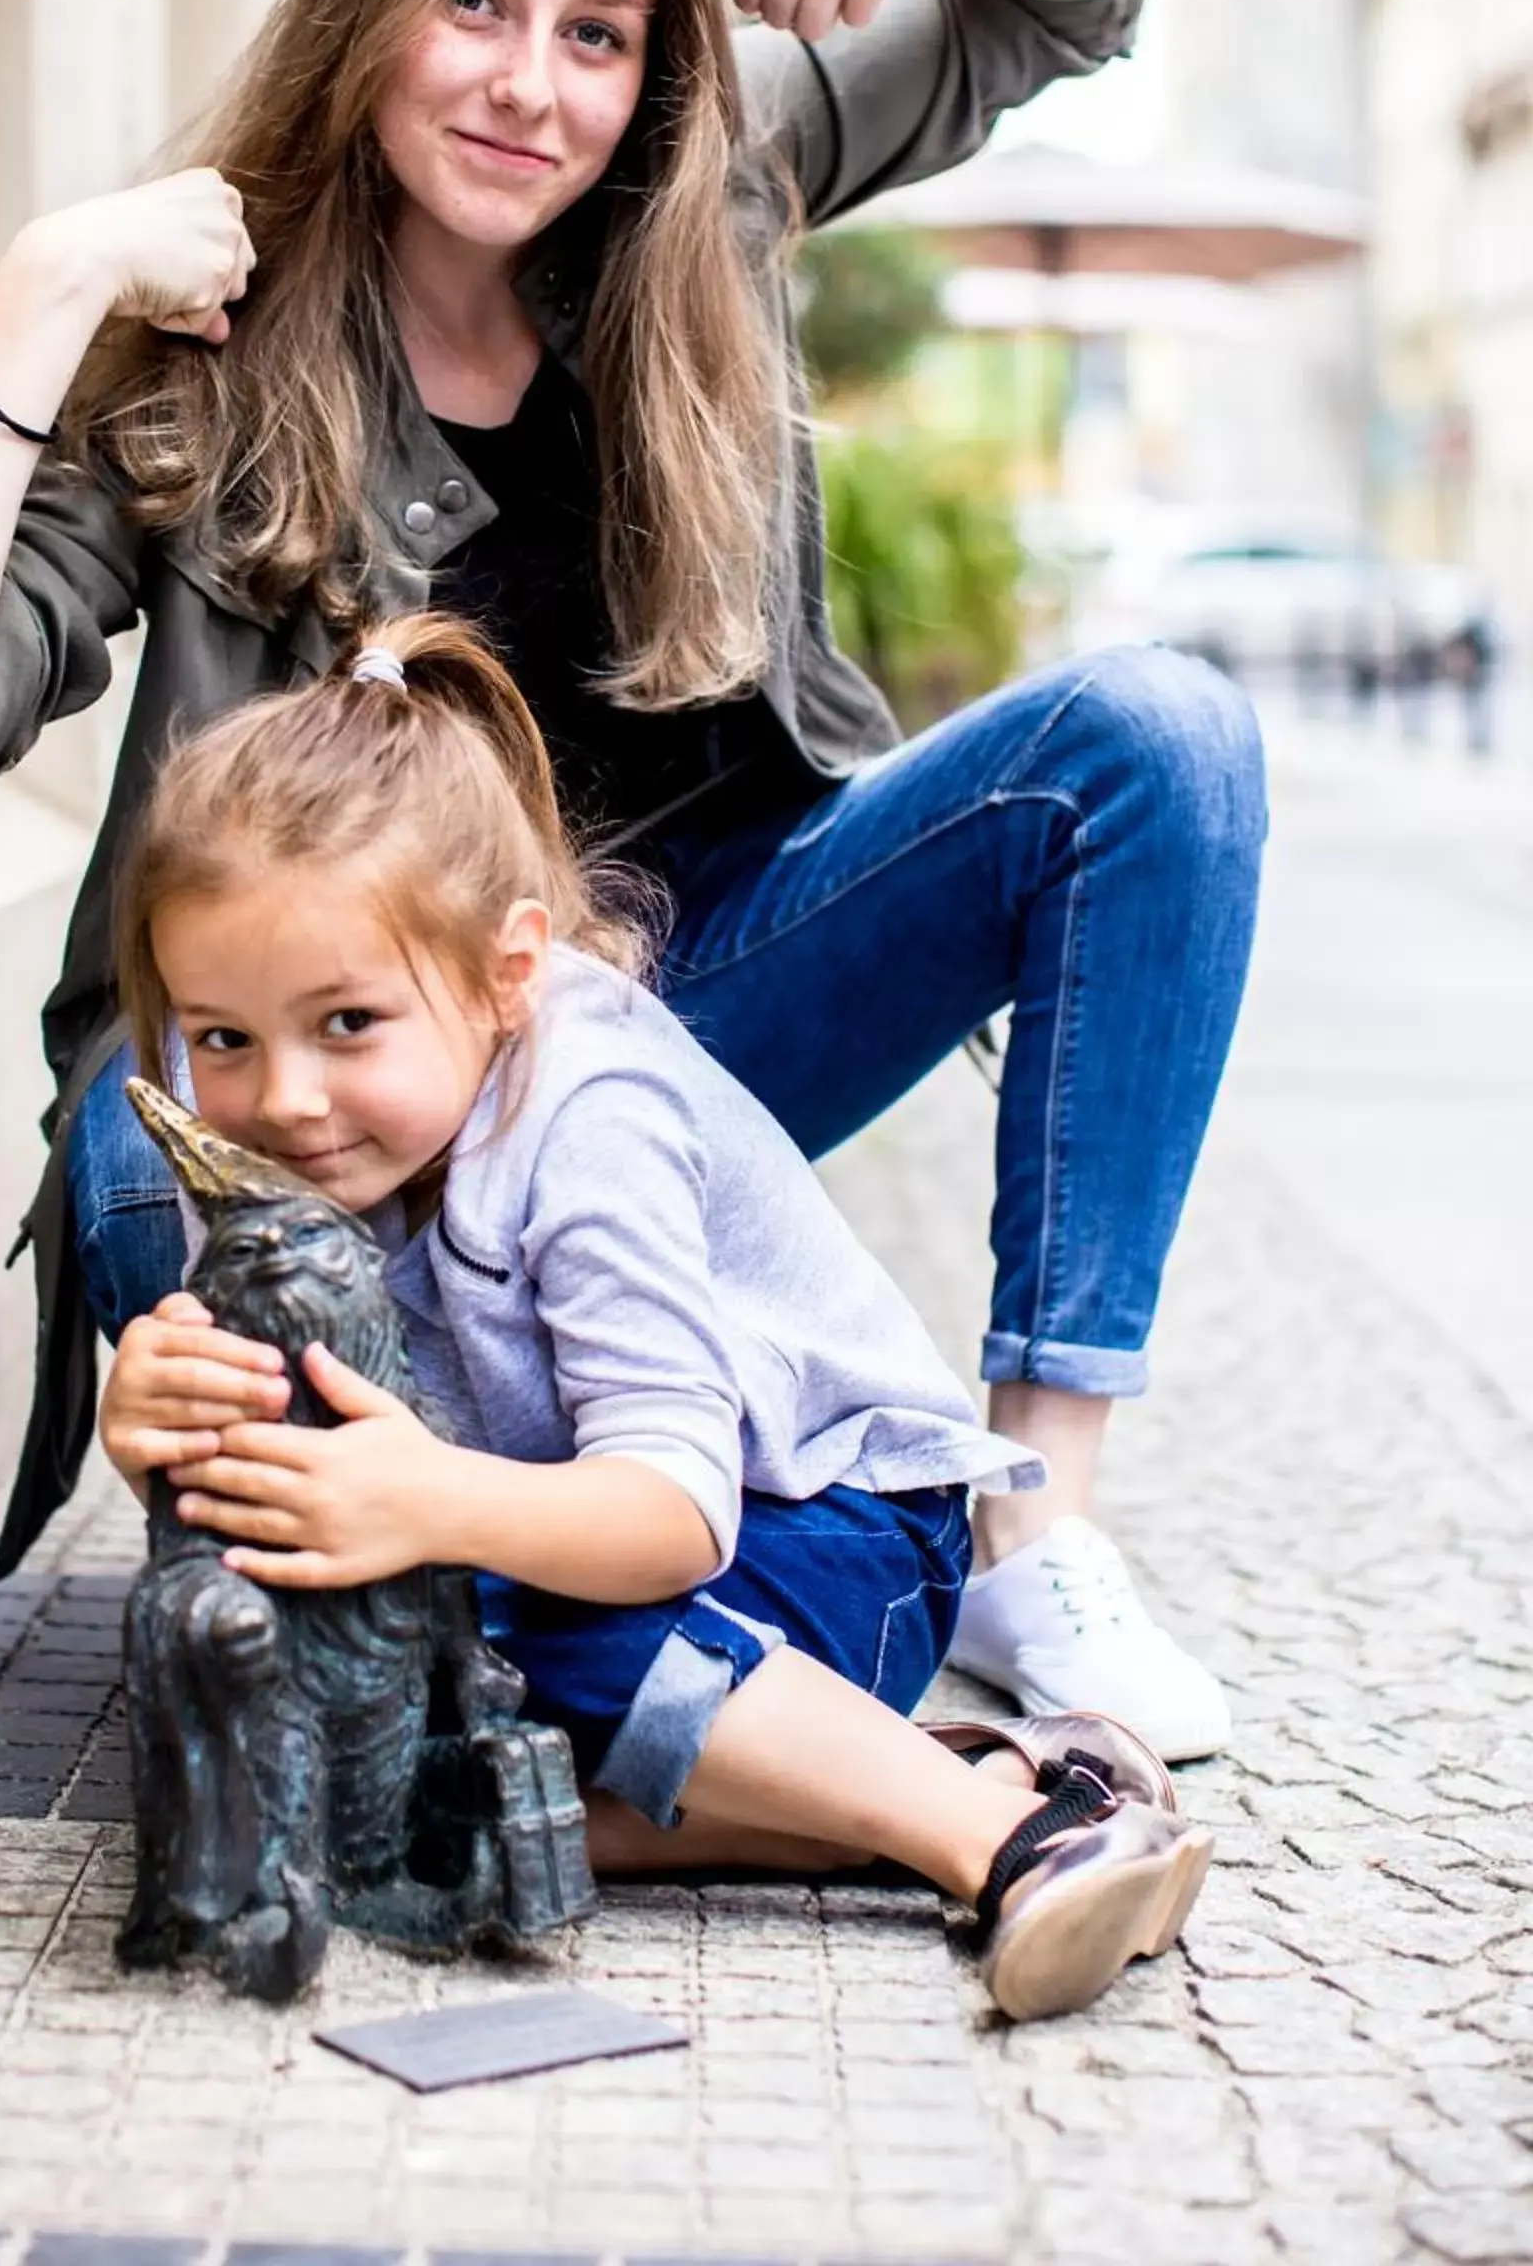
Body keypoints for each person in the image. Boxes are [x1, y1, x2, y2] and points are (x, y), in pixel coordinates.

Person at [0, 0, 1265, 1754]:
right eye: (470, 1)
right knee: (143, 1126)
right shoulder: (213, 355)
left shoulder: (704, 200)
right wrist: (47, 286)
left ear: (654, 72)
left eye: (595, 34)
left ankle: (1025, 1555)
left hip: (678, 1024)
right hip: (333, 1079)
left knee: (1156, 739)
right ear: (369, 2)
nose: (525, 86)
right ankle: (412, 1598)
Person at [94, 614, 1215, 2021]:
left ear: (507, 974)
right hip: (584, 1527)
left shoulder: (585, 1120)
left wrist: (433, 1501)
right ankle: (966, 1768)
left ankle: (1014, 1837)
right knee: (355, 1696)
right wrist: (152, 1430)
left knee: (540, 1647)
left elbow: (678, 1513)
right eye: (223, 1038)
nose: (288, 1097)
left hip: (826, 1531)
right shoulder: (263, 1132)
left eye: (348, 1025)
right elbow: (279, 1461)